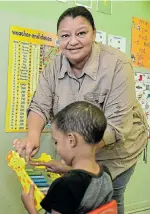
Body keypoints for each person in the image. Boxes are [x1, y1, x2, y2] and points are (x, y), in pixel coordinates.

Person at [13, 6, 148, 214]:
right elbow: (40, 104)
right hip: (79, 157)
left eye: (81, 33)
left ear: (94, 33)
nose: (73, 41)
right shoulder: (54, 65)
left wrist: (74, 163)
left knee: (109, 198)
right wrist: (32, 136)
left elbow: (117, 127)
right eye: (65, 35)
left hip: (116, 154)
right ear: (58, 38)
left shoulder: (118, 65)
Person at [21, 101, 113, 214]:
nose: (56, 147)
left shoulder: (64, 186)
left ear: (71, 140)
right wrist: (65, 170)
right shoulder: (105, 175)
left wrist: (30, 207)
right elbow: (86, 181)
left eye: (56, 141)